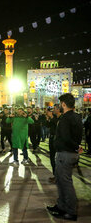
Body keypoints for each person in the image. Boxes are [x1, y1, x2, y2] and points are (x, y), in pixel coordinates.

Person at [47, 93, 83, 221]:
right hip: (69, 154)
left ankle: (70, 211)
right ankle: (61, 206)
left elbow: (66, 137)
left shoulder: (65, 118)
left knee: (65, 184)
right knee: (61, 182)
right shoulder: (77, 117)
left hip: (65, 154)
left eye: (60, 104)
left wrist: (75, 147)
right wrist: (77, 146)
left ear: (63, 104)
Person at [45, 105, 61, 183]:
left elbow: (56, 125)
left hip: (56, 139)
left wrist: (51, 117)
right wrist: (48, 119)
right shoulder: (54, 117)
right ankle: (55, 175)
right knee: (52, 158)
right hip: (52, 139)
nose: (53, 110)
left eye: (54, 109)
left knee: (56, 159)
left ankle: (58, 177)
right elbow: (48, 126)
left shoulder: (59, 118)